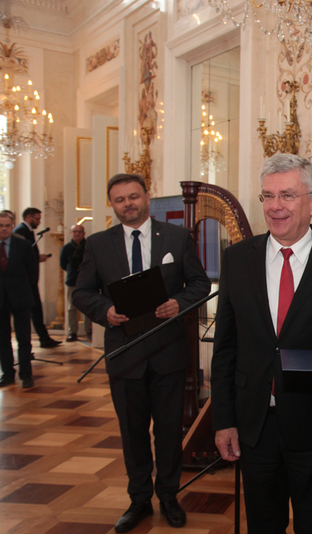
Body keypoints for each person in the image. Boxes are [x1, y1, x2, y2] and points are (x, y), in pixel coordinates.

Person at [211, 154, 312, 534]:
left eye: (288, 195)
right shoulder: (238, 259)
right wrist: (223, 420)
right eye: (267, 196)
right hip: (253, 425)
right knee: (263, 525)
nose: (275, 206)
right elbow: (225, 347)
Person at [73, 173, 211, 533]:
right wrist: (105, 311)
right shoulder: (97, 244)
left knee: (168, 431)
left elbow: (198, 283)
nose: (128, 204)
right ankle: (138, 501)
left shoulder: (177, 237)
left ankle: (168, 496)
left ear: (146, 197)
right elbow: (82, 292)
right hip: (125, 352)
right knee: (132, 434)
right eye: (120, 200)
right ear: (112, 204)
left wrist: (177, 303)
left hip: (168, 352)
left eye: (133, 196)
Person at [14, 207, 61, 348]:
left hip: (31, 281)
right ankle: (40, 340)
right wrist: (36, 257)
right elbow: (20, 257)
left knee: (37, 310)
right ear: (29, 217)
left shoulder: (27, 231)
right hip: (25, 281)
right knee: (33, 311)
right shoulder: (20, 231)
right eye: (37, 219)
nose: (39, 222)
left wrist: (36, 257)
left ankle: (44, 338)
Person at [0, 211, 37, 388]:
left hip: (21, 297)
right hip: (0, 299)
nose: (4, 229)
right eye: (0, 226)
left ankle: (26, 374)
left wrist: (22, 289)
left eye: (7, 225)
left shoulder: (23, 245)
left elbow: (33, 273)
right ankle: (7, 374)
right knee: (2, 338)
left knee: (24, 338)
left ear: (12, 225)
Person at [60, 224, 92, 341]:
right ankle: (72, 332)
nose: (77, 234)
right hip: (72, 281)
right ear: (71, 233)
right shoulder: (66, 248)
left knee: (88, 307)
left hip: (87, 281)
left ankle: (89, 330)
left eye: (79, 232)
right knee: (71, 308)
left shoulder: (89, 246)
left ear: (83, 234)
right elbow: (63, 264)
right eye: (75, 232)